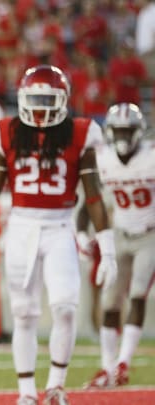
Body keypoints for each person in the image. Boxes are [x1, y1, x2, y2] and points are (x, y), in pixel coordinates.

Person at [0, 65, 116, 405]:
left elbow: (93, 196)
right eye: (34, 99)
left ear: (63, 100)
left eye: (48, 99)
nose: (41, 108)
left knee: (65, 306)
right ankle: (26, 392)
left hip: (61, 226)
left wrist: (107, 249)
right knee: (24, 313)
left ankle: (56, 386)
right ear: (21, 99)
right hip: (21, 226)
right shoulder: (6, 131)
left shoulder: (80, 132)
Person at [81, 103, 155, 389]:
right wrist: (82, 233)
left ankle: (123, 363)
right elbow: (91, 199)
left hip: (150, 234)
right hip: (121, 234)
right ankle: (107, 366)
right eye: (119, 130)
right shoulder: (103, 159)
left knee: (137, 294)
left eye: (128, 130)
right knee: (110, 302)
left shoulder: (150, 157)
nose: (123, 136)